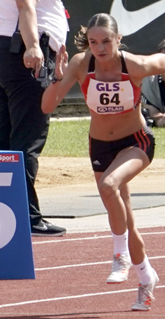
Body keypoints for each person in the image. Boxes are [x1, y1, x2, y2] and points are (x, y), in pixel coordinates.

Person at [41, 13, 165, 311]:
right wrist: (59, 77)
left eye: (106, 42)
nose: (100, 49)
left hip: (136, 142)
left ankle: (119, 255)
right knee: (128, 222)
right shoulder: (80, 64)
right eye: (93, 42)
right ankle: (147, 277)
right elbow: (47, 106)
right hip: (100, 147)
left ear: (118, 39)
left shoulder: (133, 65)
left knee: (110, 186)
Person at [0, 0, 69, 236]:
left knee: (6, 141)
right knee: (26, 140)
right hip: (22, 52)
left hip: (8, 50)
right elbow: (25, 4)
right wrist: (32, 45)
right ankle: (27, 217)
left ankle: (9, 214)